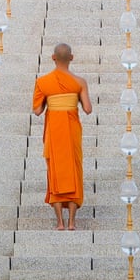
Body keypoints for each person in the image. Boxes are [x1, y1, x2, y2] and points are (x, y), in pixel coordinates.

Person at [31, 42, 93, 229]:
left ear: (53, 58)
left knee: (55, 171)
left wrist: (52, 101)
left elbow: (37, 110)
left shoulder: (43, 82)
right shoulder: (80, 82)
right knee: (73, 169)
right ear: (71, 58)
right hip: (72, 130)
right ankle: (72, 222)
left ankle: (59, 222)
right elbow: (88, 109)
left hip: (54, 131)